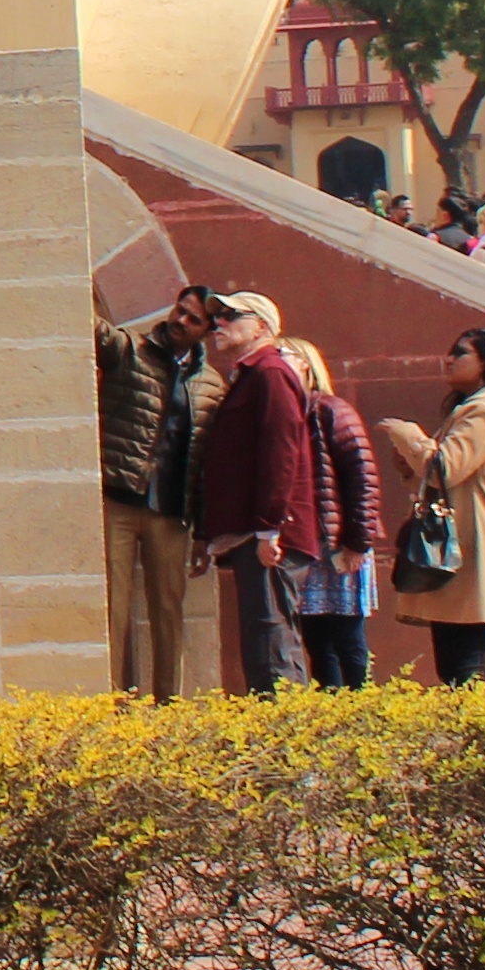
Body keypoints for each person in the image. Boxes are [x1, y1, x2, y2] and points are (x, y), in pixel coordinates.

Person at [378, 327, 485, 685]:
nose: (448, 360)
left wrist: (409, 435)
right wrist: (410, 464)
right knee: (455, 661)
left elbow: (444, 468)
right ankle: (475, 720)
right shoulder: (479, 407)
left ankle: (481, 721)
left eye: (461, 353)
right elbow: (444, 480)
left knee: (464, 664)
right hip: (463, 546)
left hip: (472, 548)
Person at [184, 289, 315, 697]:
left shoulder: (271, 373)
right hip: (255, 532)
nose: (218, 324)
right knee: (264, 640)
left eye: (230, 315)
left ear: (260, 327)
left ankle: (287, 729)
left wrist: (269, 529)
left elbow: (281, 454)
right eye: (217, 316)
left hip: (271, 536)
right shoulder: (253, 375)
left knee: (272, 641)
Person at [93, 288, 219, 700]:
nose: (181, 320)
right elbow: (93, 331)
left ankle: (169, 703)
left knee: (168, 609)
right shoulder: (131, 350)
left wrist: (204, 533)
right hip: (120, 499)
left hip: (170, 512)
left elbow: (206, 465)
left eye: (193, 319)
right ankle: (108, 703)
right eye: (180, 310)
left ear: (206, 331)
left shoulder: (211, 386)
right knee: (112, 607)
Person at [277, 336, 383, 691]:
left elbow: (363, 479)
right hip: (305, 544)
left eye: (283, 355)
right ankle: (331, 708)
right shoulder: (285, 413)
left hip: (338, 544)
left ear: (306, 365)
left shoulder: (331, 410)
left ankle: (362, 708)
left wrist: (357, 542)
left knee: (348, 639)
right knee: (316, 641)